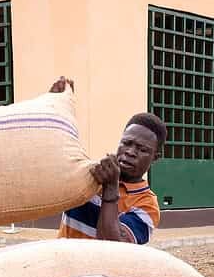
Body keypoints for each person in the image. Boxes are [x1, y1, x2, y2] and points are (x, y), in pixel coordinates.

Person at [50, 77, 165, 244]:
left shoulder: (147, 204)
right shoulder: (91, 176)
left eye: (142, 149)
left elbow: (113, 246)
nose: (130, 152)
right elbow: (54, 163)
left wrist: (111, 188)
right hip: (65, 266)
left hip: (101, 271)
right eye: (126, 143)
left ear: (155, 157)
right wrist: (57, 109)